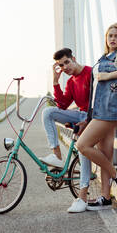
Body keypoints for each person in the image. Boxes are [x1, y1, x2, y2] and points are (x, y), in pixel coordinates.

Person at [76, 22, 117, 211]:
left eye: (116, 36)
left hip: (110, 110)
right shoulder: (104, 57)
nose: (112, 39)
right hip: (98, 109)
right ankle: (105, 197)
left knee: (82, 145)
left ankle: (116, 174)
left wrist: (108, 76)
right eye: (110, 35)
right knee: (104, 154)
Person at [39, 48, 93, 213]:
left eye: (67, 62)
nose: (65, 68)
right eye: (61, 66)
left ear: (74, 58)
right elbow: (62, 105)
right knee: (48, 112)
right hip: (79, 115)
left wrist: (87, 120)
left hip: (92, 116)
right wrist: (56, 82)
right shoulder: (70, 82)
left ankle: (82, 197)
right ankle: (56, 155)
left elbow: (98, 99)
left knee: (82, 149)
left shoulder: (90, 73)